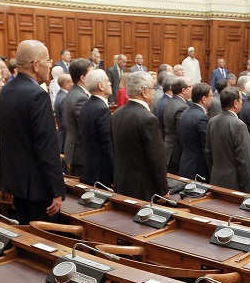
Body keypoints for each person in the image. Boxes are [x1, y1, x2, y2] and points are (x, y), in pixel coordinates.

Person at [0, 39, 66, 224]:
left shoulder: (6, 90)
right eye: (48, 61)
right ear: (36, 65)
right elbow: (46, 146)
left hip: (15, 183)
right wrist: (56, 190)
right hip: (38, 188)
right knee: (43, 244)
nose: (50, 66)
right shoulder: (37, 95)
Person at [111, 71, 168, 202]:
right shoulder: (148, 119)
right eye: (152, 89)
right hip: (143, 189)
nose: (154, 93)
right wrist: (163, 189)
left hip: (121, 183)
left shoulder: (117, 113)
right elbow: (156, 158)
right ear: (144, 92)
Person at [206, 87, 250, 193]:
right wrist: (249, 187)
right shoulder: (238, 125)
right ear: (235, 103)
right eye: (241, 100)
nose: (242, 103)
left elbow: (208, 153)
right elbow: (244, 159)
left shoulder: (212, 121)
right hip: (234, 183)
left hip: (216, 178)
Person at [79, 69, 116, 187]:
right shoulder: (102, 110)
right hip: (102, 173)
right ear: (101, 86)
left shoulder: (86, 105)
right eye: (107, 81)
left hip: (90, 168)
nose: (110, 83)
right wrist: (115, 174)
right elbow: (107, 144)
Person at [61, 58, 93, 177]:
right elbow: (85, 129)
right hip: (80, 153)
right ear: (83, 78)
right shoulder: (80, 98)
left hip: (75, 151)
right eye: (91, 73)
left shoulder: (73, 92)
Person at [178, 83, 213, 180]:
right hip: (198, 168)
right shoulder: (202, 117)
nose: (212, 99)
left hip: (186, 163)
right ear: (204, 99)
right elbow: (206, 146)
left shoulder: (185, 112)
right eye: (210, 96)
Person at [163, 76, 191, 173]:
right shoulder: (182, 107)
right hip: (176, 151)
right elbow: (182, 133)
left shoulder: (171, 101)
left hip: (168, 148)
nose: (192, 89)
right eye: (190, 87)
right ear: (183, 90)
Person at [54, 73, 72, 156]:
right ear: (66, 84)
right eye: (72, 82)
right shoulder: (64, 98)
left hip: (62, 136)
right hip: (66, 138)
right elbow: (66, 122)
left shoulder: (59, 95)